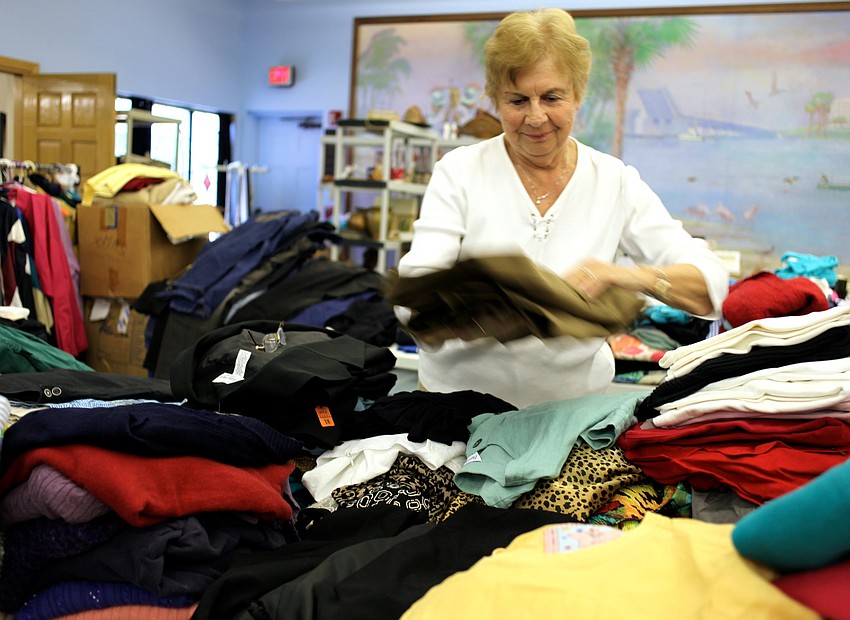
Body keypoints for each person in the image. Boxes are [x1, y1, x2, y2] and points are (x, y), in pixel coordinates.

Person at [394, 8, 729, 408]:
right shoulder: (460, 171)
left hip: (571, 416)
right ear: (495, 99)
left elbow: (710, 287)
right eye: (518, 100)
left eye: (552, 97)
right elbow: (417, 287)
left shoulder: (614, 181)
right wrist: (470, 308)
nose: (536, 117)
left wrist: (623, 276)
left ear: (578, 93)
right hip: (455, 411)